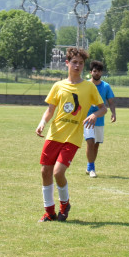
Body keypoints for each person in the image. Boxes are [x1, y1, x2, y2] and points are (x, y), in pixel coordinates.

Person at [35, 48, 106, 222]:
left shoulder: (89, 87)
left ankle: (64, 204)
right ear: (67, 63)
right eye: (74, 62)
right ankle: (49, 212)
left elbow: (103, 108)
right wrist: (42, 123)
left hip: (73, 137)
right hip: (54, 134)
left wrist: (94, 114)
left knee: (58, 172)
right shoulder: (58, 86)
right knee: (45, 171)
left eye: (81, 63)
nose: (77, 66)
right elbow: (50, 110)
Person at [84, 61, 116, 178]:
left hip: (100, 119)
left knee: (96, 144)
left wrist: (113, 113)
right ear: (90, 72)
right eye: (95, 71)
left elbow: (111, 102)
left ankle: (90, 164)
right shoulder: (85, 85)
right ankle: (91, 168)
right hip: (86, 119)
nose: (97, 73)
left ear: (101, 72)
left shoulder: (106, 86)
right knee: (90, 142)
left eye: (99, 71)